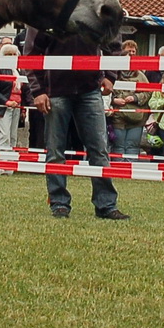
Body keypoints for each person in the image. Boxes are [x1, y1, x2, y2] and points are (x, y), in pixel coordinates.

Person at [25, 24, 127, 219]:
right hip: (55, 91)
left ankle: (106, 204)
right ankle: (59, 203)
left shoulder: (95, 6)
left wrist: (111, 75)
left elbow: (113, 43)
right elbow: (31, 53)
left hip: (90, 90)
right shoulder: (46, 9)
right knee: (55, 150)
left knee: (99, 149)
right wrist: (38, 91)